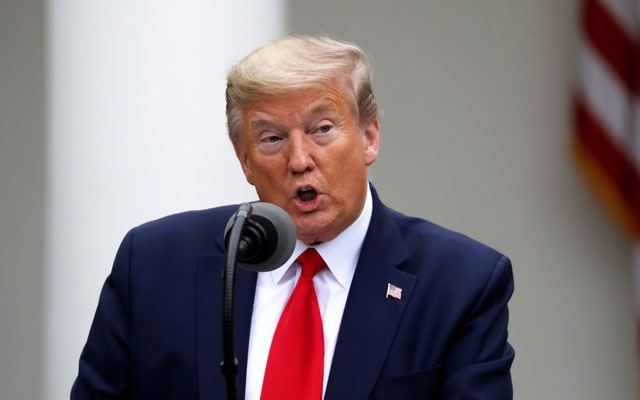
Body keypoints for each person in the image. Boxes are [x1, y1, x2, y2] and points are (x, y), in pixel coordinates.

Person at [71, 35, 515, 399]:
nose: (299, 159)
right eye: (271, 138)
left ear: (369, 137)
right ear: (244, 159)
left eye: (322, 129)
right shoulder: (153, 265)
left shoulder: (459, 284)